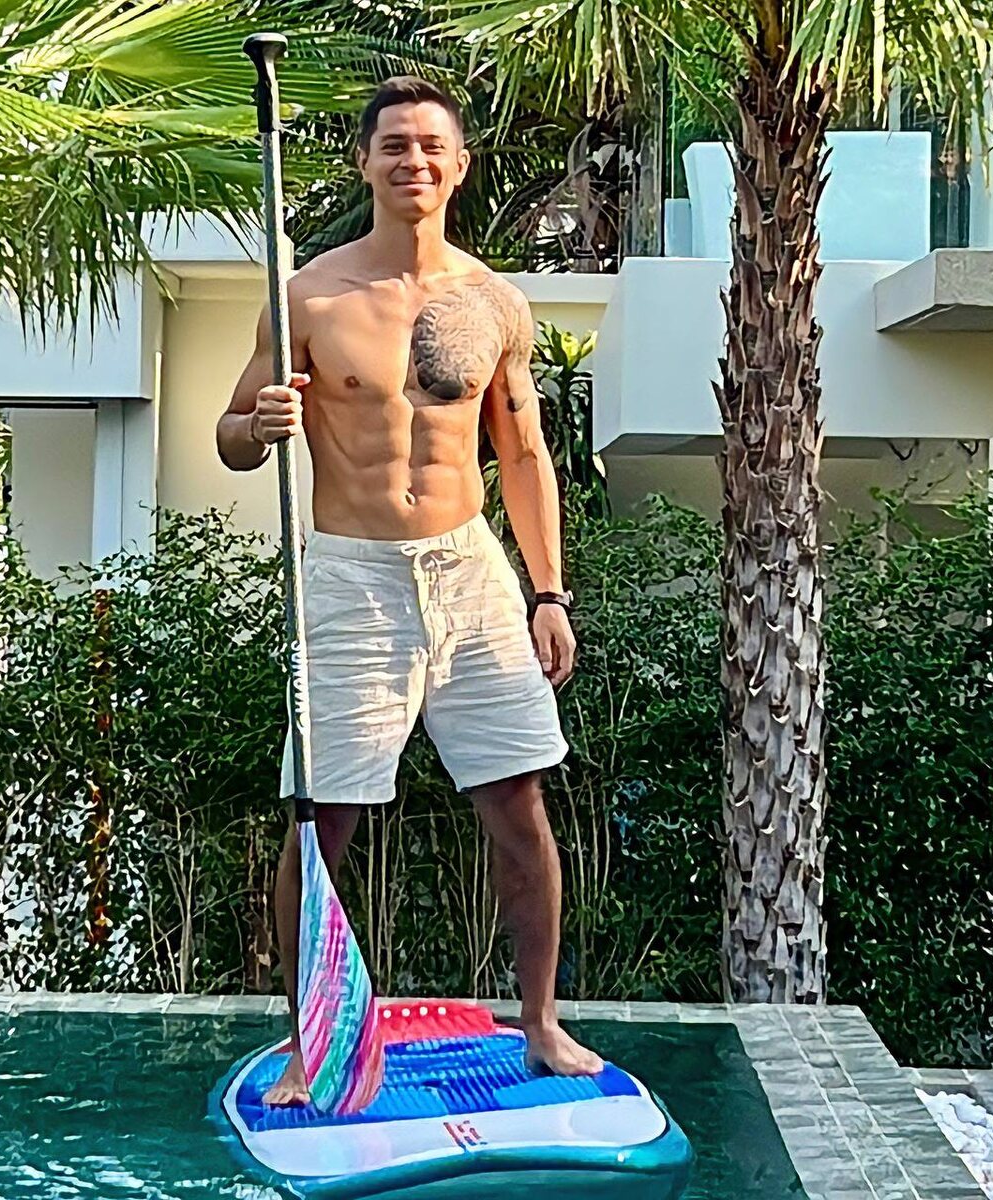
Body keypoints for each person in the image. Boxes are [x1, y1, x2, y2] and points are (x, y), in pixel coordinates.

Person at [216, 75, 603, 1106]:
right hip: (352, 575)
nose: (414, 161)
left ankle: (542, 1025)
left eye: (432, 145)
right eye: (394, 145)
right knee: (323, 819)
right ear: (365, 162)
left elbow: (523, 455)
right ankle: (308, 1045)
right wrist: (258, 426)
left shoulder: (492, 302)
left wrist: (549, 593)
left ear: (459, 165)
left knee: (518, 801)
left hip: (470, 570)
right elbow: (231, 436)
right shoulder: (308, 295)